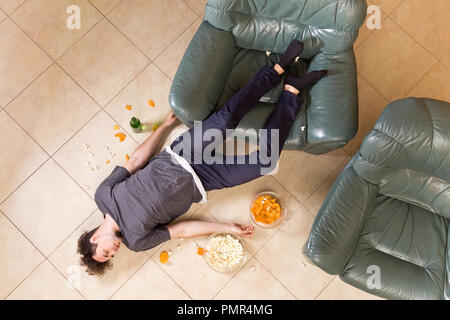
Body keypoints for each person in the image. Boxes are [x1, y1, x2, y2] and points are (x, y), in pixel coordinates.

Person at [77, 40, 327, 275]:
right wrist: (228, 227)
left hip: (181, 154)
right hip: (204, 180)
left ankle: (277, 68)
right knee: (266, 162)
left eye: (105, 253)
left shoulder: (104, 195)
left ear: (95, 238)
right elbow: (181, 230)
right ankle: (292, 90)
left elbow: (135, 161)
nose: (113, 253)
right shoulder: (137, 241)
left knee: (228, 118)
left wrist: (163, 128)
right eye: (110, 258)